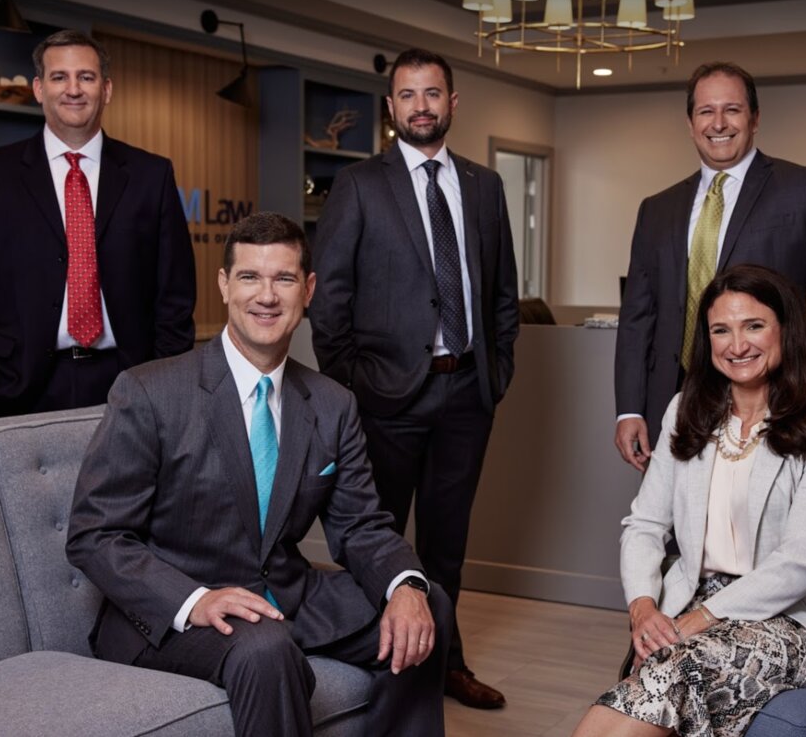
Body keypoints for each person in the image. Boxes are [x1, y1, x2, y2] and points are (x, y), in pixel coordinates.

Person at [67, 212, 450, 737]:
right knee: (266, 648)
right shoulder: (150, 392)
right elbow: (95, 535)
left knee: (428, 604)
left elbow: (361, 526)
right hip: (179, 611)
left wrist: (404, 585)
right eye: (250, 277)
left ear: (308, 290)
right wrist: (196, 600)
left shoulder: (332, 404)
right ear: (225, 285)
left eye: (284, 279)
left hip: (286, 597)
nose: (266, 296)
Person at [574, 264, 806, 737]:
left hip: (798, 616)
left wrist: (698, 620)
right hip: (697, 597)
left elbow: (803, 559)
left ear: (786, 329)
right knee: (662, 671)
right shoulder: (685, 411)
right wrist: (643, 606)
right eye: (721, 330)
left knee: (675, 668)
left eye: (753, 326)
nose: (737, 345)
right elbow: (644, 525)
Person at [308, 48, 519, 709]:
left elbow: (503, 294)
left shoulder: (485, 186)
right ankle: (378, 669)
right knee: (377, 541)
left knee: (447, 545)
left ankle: (446, 666)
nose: (420, 106)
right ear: (390, 107)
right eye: (407, 95)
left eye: (432, 94)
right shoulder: (359, 185)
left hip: (467, 394)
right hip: (384, 398)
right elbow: (329, 299)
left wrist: (496, 371)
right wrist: (352, 386)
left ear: (452, 103)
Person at [614, 61, 806, 472]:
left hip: (777, 397)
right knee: (677, 513)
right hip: (675, 402)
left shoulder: (805, 189)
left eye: (732, 109)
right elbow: (637, 317)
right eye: (706, 111)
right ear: (691, 123)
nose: (718, 123)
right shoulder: (656, 210)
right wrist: (629, 409)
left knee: (771, 510)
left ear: (755, 118)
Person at [0, 29, 195, 421]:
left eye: (86, 77)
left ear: (106, 89)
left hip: (128, 384)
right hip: (13, 388)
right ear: (39, 88)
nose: (73, 89)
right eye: (59, 77)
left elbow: (175, 296)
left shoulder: (151, 175)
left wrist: (162, 382)